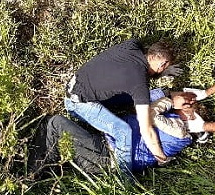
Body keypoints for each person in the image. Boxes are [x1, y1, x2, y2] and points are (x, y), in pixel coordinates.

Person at [36, 89, 203, 178]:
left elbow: (148, 114)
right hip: (104, 147)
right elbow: (142, 99)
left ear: (190, 115)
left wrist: (170, 101)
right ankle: (46, 169)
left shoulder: (179, 131)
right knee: (56, 130)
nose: (184, 105)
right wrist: (167, 93)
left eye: (188, 106)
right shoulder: (173, 124)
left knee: (55, 123)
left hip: (106, 154)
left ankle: (30, 176)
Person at [64, 39, 176, 173]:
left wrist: (161, 72)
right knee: (124, 131)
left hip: (75, 85)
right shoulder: (139, 84)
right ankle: (124, 181)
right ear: (163, 64)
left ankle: (162, 93)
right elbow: (146, 129)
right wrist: (162, 159)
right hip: (78, 105)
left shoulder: (132, 45)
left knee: (135, 98)